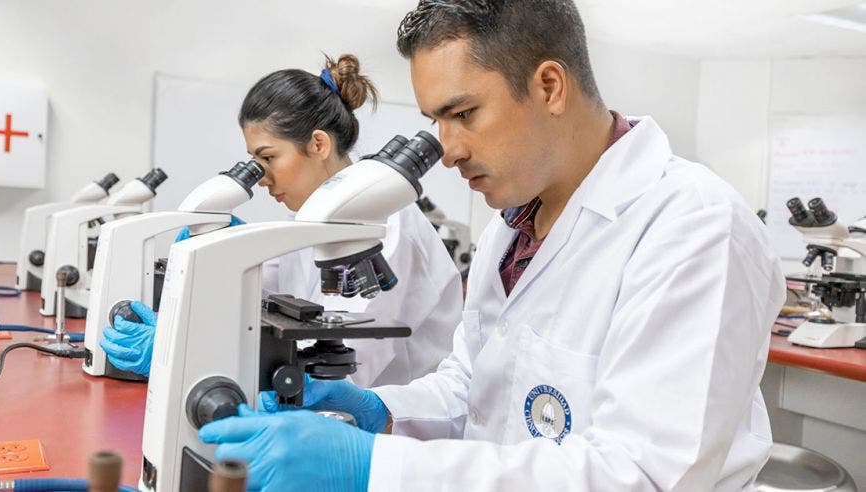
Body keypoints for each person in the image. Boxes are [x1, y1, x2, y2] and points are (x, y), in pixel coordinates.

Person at [197, 1, 786, 491]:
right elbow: (474, 388)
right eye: (436, 122)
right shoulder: (511, 224)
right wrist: (380, 411)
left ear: (549, 86)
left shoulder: (694, 226)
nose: (447, 150)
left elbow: (644, 474)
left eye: (463, 114)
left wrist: (374, 467)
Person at [100, 54, 463, 389]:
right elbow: (261, 304)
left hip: (391, 431)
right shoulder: (310, 219)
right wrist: (225, 258)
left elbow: (342, 372)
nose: (260, 178)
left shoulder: (386, 224)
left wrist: (180, 354)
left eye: (268, 157)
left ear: (318, 144)